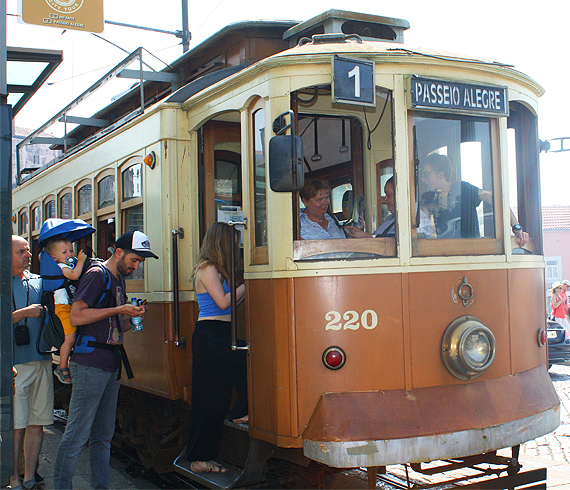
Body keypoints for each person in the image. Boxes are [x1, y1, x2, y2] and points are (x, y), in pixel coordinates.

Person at [53, 230, 158, 490]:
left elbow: (109, 324)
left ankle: (100, 486)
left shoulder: (117, 279)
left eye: (140, 263)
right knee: (77, 434)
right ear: (119, 252)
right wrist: (120, 309)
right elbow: (77, 316)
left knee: (103, 437)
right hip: (90, 363)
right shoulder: (97, 274)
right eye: (134, 260)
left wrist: (132, 319)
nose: (136, 266)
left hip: (110, 364)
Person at [184, 222, 248, 474]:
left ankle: (204, 457)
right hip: (210, 335)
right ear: (221, 242)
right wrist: (250, 281)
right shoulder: (207, 268)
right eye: (233, 241)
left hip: (220, 333)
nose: (236, 246)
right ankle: (199, 456)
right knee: (208, 400)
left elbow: (232, 304)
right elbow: (223, 303)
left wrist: (241, 289)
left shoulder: (218, 270)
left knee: (216, 401)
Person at [10, 235, 54, 490]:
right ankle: (13, 478)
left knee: (37, 424)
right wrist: (23, 314)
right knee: (17, 426)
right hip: (16, 365)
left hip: (42, 359)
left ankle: (29, 477)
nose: (28, 255)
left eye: (28, 250)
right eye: (21, 251)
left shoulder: (39, 281)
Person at [420, 154, 529, 246]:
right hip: (443, 254)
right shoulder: (429, 199)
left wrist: (517, 228)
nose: (423, 180)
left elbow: (498, 202)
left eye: (426, 174)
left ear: (440, 174)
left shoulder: (464, 189)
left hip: (471, 252)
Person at [45, 237, 88, 384]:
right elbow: (74, 275)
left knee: (74, 336)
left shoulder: (67, 264)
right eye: (64, 252)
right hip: (63, 307)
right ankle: (62, 366)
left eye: (71, 250)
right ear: (54, 257)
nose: (69, 254)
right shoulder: (61, 266)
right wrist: (81, 261)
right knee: (70, 339)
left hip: (69, 306)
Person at [345, 177, 434, 238]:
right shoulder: (391, 218)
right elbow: (380, 238)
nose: (385, 199)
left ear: (400, 195)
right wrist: (360, 232)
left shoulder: (416, 217)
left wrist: (365, 236)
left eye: (388, 195)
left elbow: (401, 243)